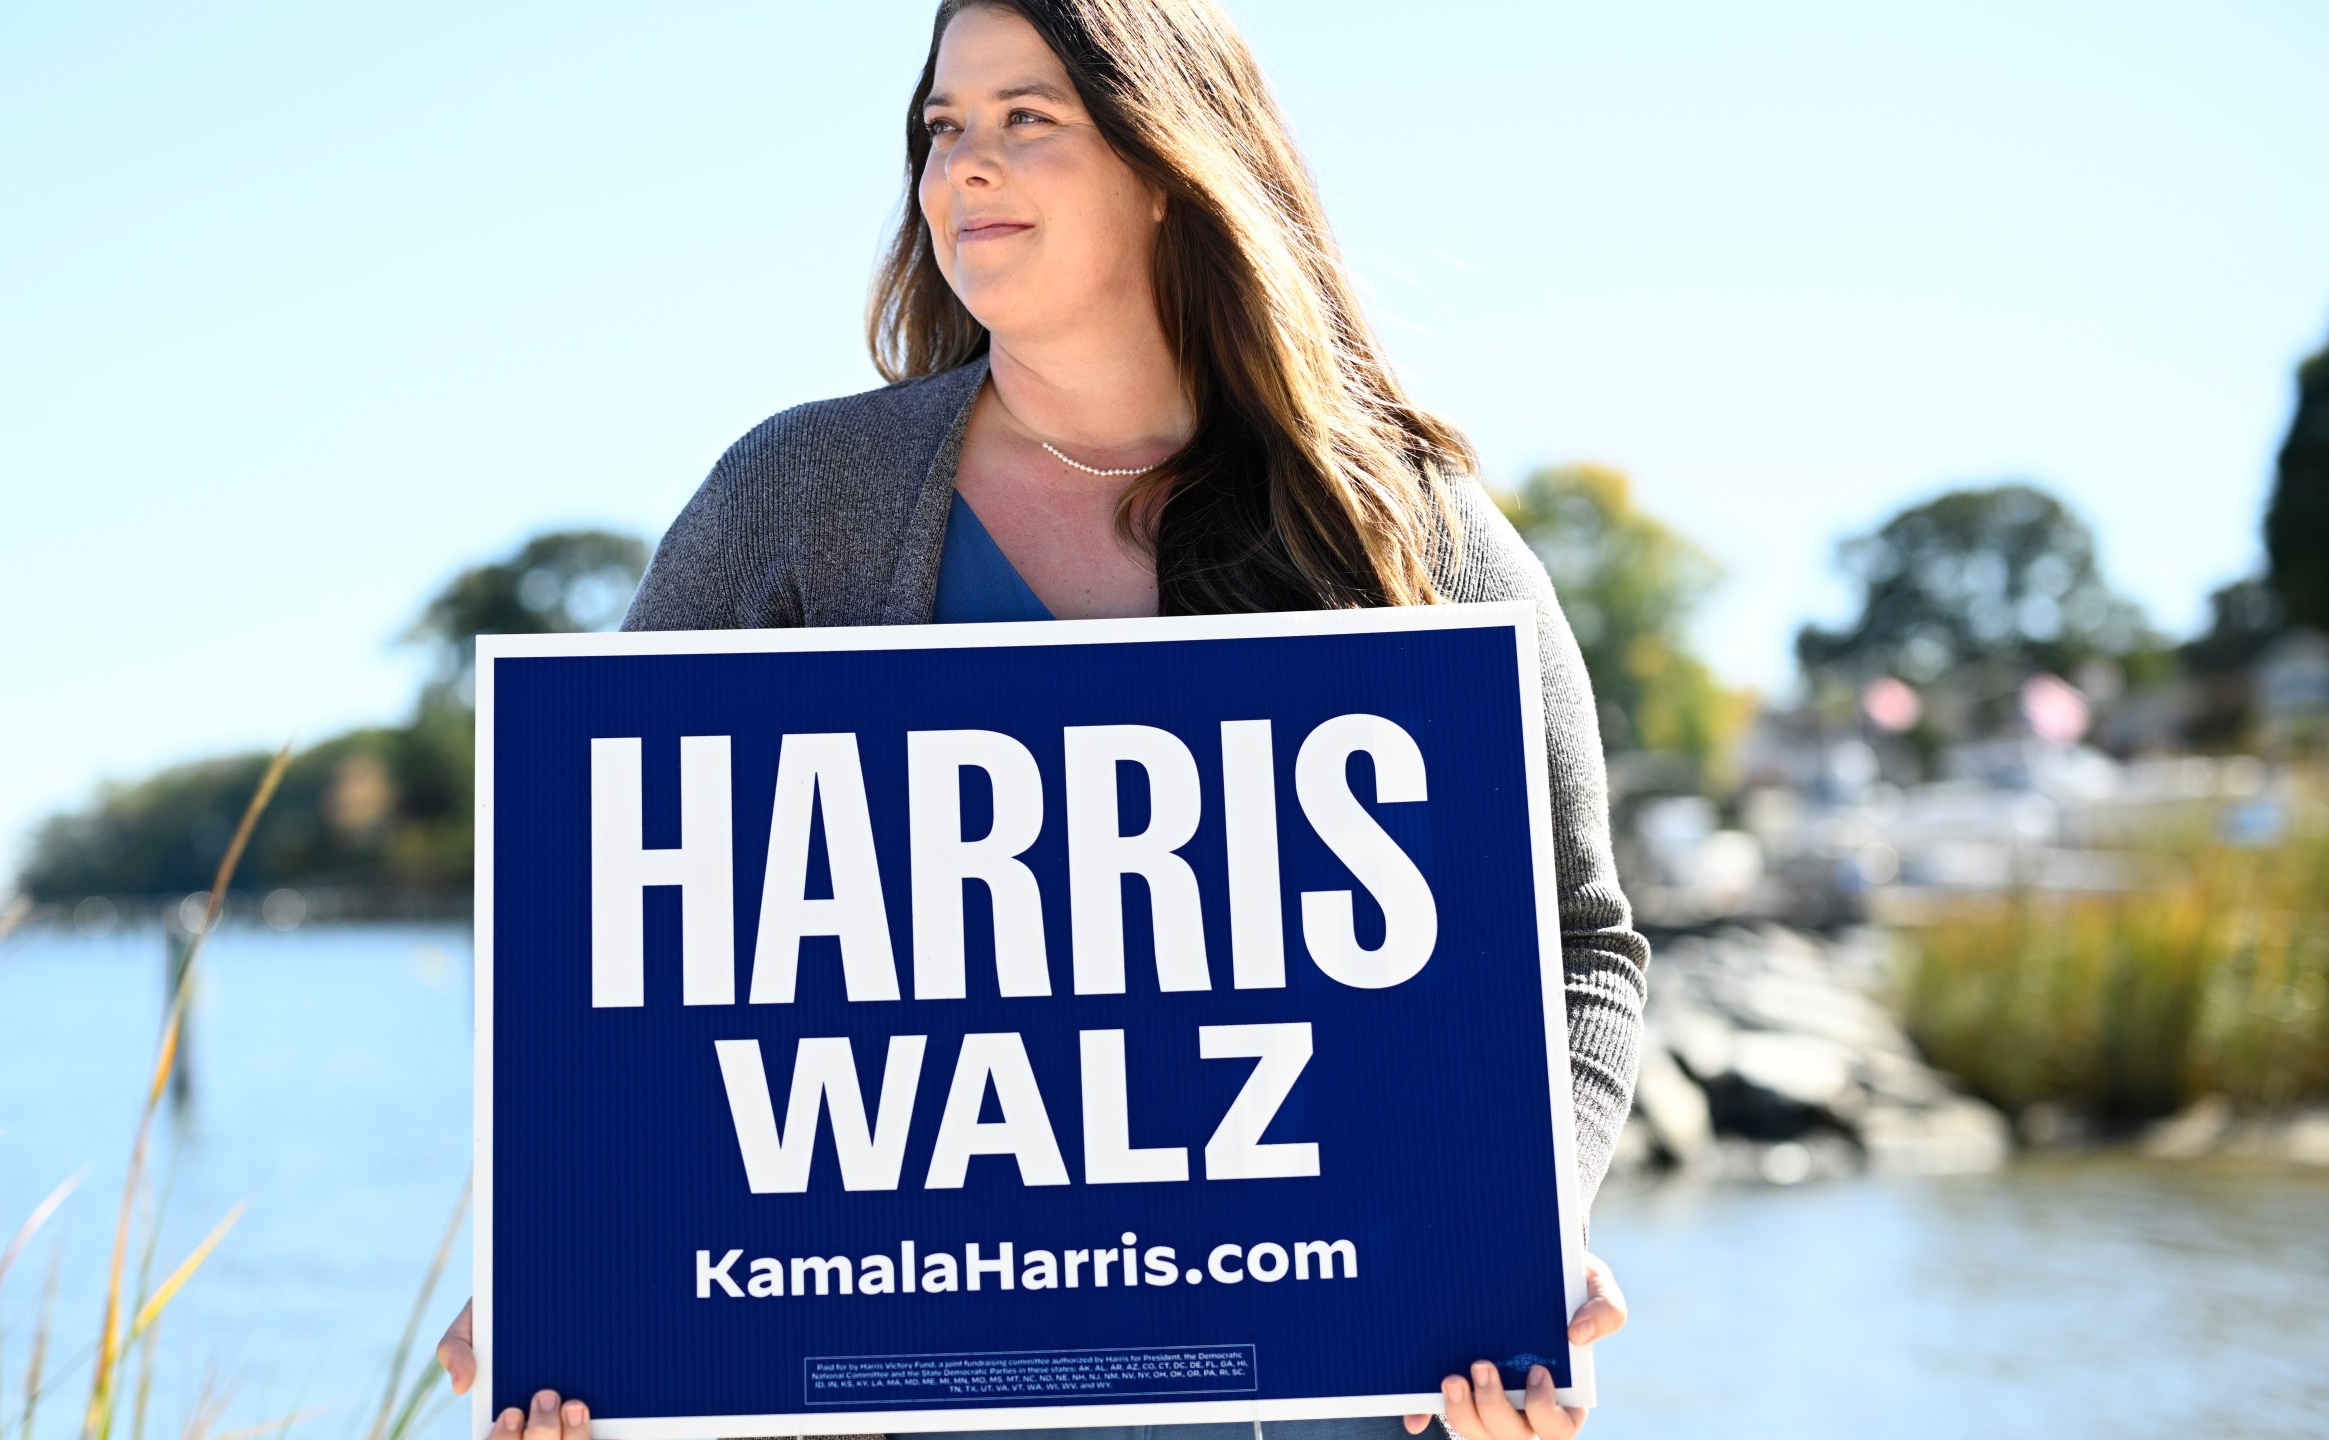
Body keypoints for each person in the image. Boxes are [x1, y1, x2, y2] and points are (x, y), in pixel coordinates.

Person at [440, 1, 1646, 1436]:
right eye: (943, 128)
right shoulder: (801, 497)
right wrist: (574, 1282)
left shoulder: (1397, 524)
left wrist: (1526, 1232)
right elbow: (613, 947)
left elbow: (1575, 945)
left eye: (1028, 120)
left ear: (1166, 161)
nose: (964, 168)